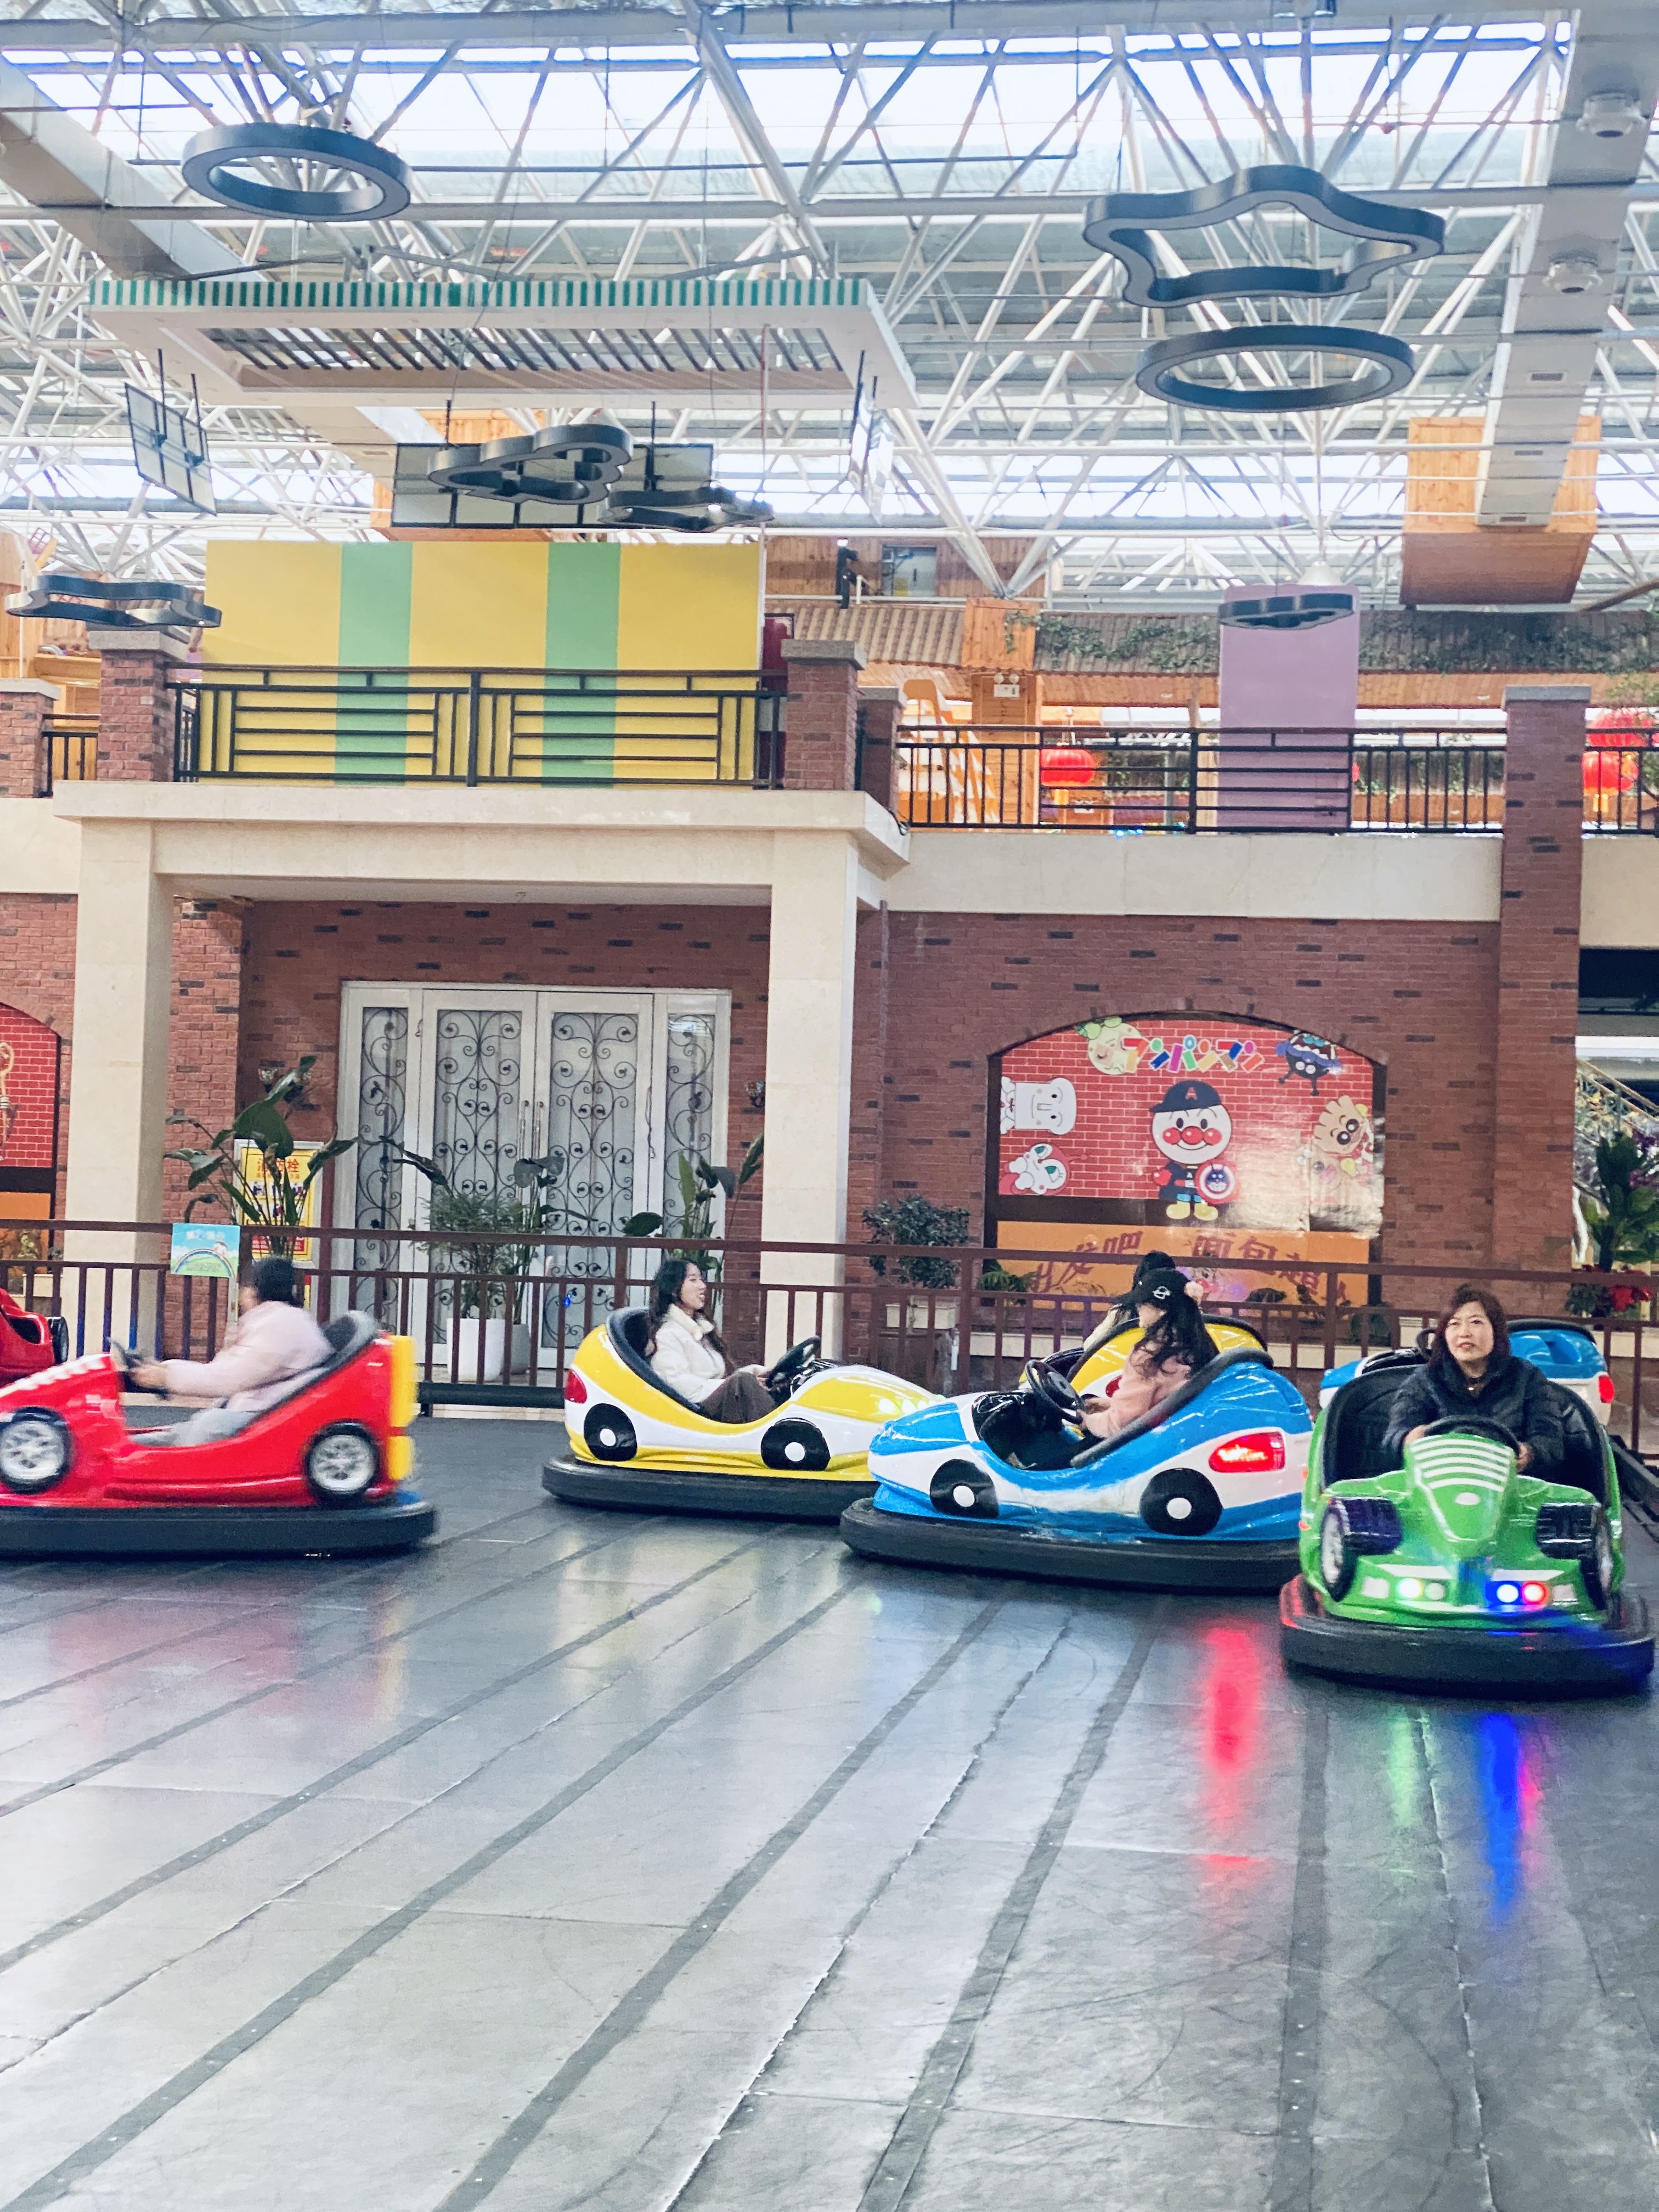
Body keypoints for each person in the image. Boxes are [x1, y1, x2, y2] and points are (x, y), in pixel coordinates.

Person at [131, 1255, 333, 1446]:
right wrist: (166, 1369)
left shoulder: (280, 1325)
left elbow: (228, 1379)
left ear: (253, 1291)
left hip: (259, 1418)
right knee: (179, 1432)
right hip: (260, 1409)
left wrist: (167, 1377)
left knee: (203, 1428)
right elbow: (226, 1369)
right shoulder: (282, 1319)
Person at [1381, 1285, 1564, 1473]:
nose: (1464, 1333)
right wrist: (1406, 1440)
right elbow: (1394, 1436)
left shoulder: (1527, 1378)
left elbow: (1550, 1439)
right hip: (1439, 1480)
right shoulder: (1424, 1381)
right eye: (1454, 1324)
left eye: (1476, 1322)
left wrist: (1529, 1454)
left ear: (1496, 1331)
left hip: (1508, 1482)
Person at [1080, 1264, 1218, 1441]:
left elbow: (1120, 1424)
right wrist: (1109, 1405)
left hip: (1149, 1445)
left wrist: (1088, 1421)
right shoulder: (1201, 1346)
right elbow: (1157, 1406)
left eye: (1142, 1304)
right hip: (1185, 1437)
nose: (1138, 1309)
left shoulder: (1149, 1356)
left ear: (1161, 1310)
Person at [646, 1258, 776, 1425]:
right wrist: (733, 1384)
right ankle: (780, 1431)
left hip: (713, 1405)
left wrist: (755, 1372)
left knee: (773, 1383)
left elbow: (720, 1378)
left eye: (702, 1280)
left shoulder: (701, 1329)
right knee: (742, 1382)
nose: (702, 1286)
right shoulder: (667, 1334)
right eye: (693, 1280)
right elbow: (676, 1384)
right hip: (695, 1414)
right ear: (673, 1289)